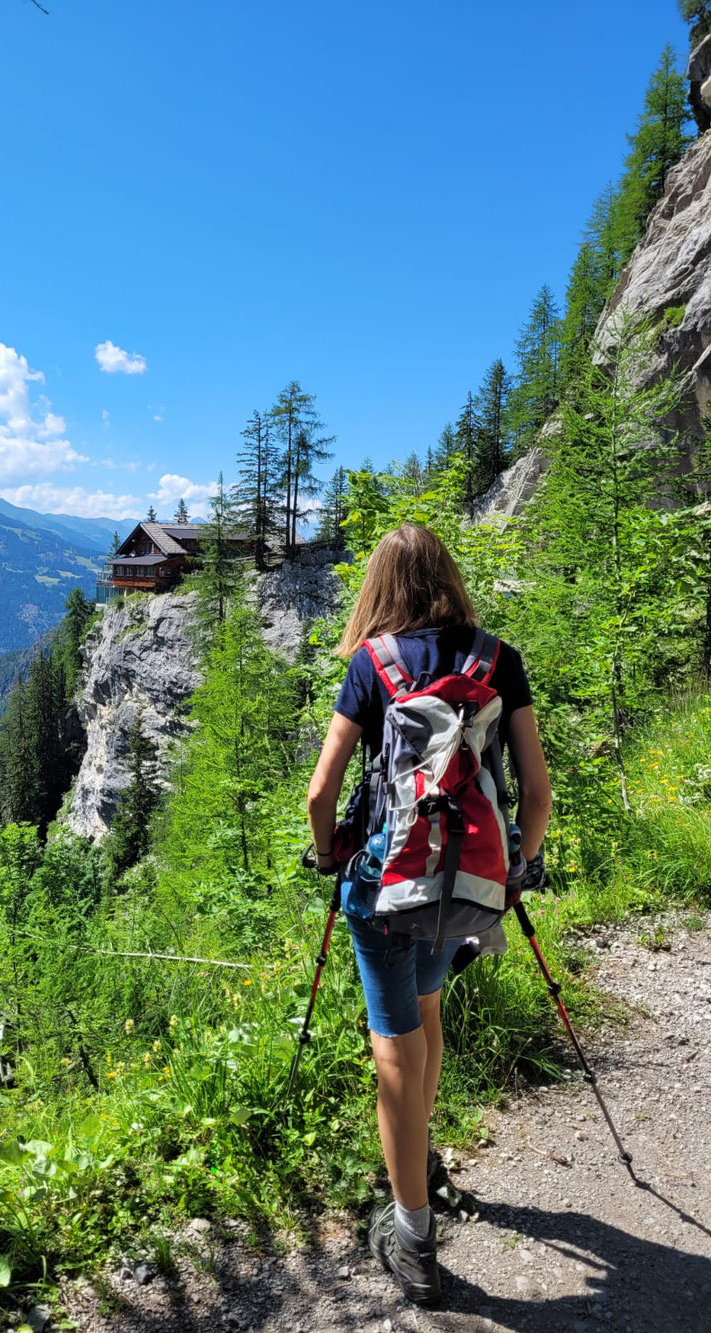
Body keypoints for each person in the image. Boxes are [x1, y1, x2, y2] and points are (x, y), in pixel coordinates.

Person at [306, 523, 552, 1307]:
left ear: (380, 585)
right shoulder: (497, 660)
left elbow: (320, 793)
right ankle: (425, 1162)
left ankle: (411, 1233)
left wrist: (329, 851)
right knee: (426, 1012)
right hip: (466, 888)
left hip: (386, 886)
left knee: (392, 1046)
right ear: (448, 575)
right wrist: (518, 866)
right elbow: (537, 793)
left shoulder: (370, 664)